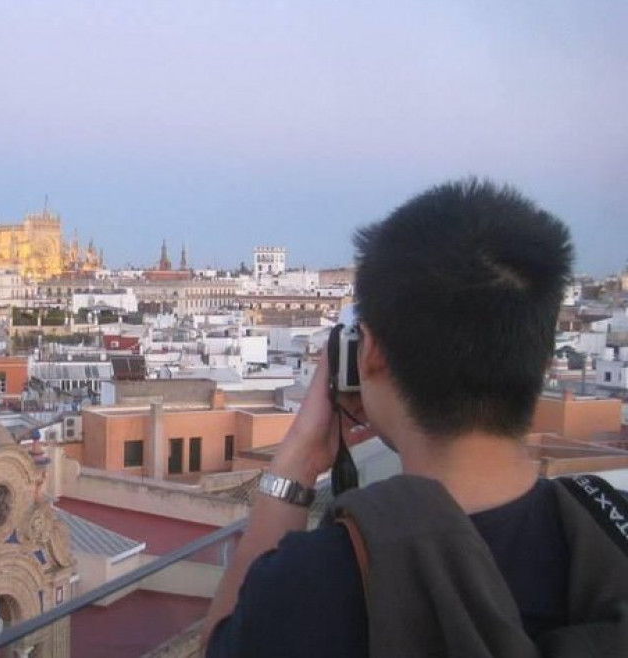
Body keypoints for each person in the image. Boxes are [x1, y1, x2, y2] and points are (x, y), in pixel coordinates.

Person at [202, 178, 628, 656]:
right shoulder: (609, 533)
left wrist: (294, 466)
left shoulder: (318, 581)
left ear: (371, 352)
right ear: (543, 352)